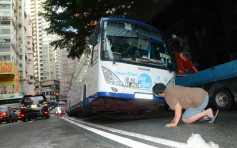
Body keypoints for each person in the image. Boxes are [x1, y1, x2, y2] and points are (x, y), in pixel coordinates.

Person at [152, 83, 219, 127]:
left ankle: (207, 112)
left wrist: (174, 123)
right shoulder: (171, 87)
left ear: (159, 94)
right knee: (190, 109)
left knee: (185, 119)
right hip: (203, 93)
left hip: (200, 101)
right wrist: (174, 120)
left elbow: (178, 108)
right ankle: (205, 116)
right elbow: (177, 109)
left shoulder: (167, 96)